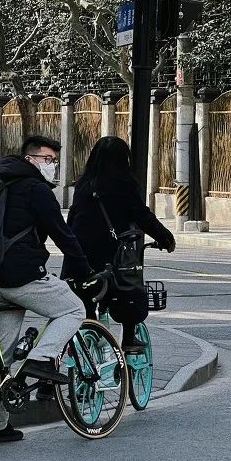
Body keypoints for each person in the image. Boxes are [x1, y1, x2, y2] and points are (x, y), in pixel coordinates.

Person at [0, 134, 93, 445]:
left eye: (55, 161)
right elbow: (63, 234)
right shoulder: (36, 190)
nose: (52, 166)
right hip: (22, 278)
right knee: (73, 310)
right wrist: (85, 270)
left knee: (1, 357)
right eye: (47, 160)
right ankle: (42, 358)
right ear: (29, 159)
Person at [65, 136, 175, 353]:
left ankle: (86, 339)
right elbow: (142, 215)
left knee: (86, 298)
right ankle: (130, 338)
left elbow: (72, 219)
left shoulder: (83, 185)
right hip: (111, 258)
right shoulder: (124, 184)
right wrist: (165, 238)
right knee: (130, 290)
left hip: (78, 258)